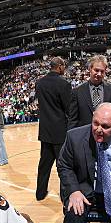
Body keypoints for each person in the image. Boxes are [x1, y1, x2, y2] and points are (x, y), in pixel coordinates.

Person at [35, 57, 72, 201]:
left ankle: (40, 193)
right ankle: (64, 197)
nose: (65, 69)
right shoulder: (63, 84)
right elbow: (68, 108)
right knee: (62, 165)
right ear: (60, 66)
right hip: (60, 132)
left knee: (44, 164)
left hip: (45, 131)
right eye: (64, 66)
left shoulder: (39, 83)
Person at [68, 55, 111, 129]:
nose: (99, 74)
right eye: (96, 70)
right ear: (90, 69)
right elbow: (73, 120)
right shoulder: (77, 91)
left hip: (108, 136)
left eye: (102, 71)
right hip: (85, 136)